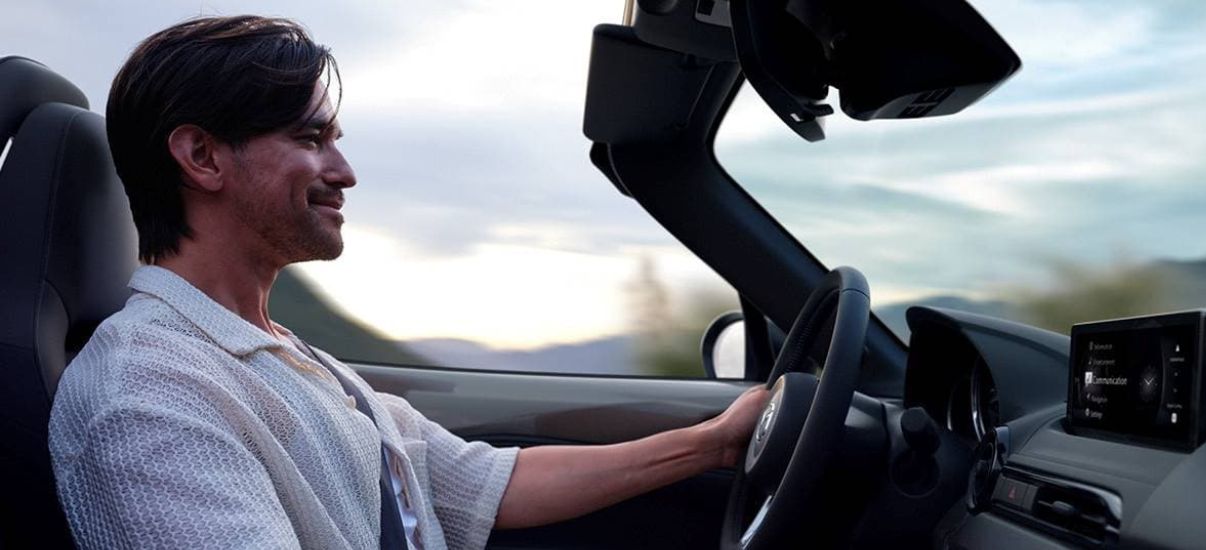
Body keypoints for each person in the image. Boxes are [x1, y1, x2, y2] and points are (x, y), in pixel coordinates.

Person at [47, 15, 769, 550]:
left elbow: (479, 484)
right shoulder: (146, 400)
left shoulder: (278, 356)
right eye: (309, 139)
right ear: (202, 157)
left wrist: (714, 443)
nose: (345, 171)